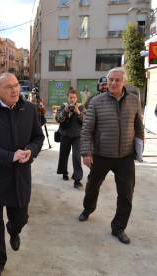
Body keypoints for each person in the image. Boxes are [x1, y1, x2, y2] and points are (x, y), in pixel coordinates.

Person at [0, 73, 45, 276]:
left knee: (20, 218)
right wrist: (9, 156)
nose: (15, 90)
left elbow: (38, 137)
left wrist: (31, 150)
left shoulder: (29, 109)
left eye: (16, 85)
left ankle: (14, 230)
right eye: (8, 87)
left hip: (20, 175)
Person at [79, 67, 144, 245]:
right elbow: (87, 130)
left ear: (124, 82)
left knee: (126, 194)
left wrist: (140, 148)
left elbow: (139, 126)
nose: (113, 83)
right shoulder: (97, 101)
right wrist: (86, 152)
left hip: (125, 156)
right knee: (92, 186)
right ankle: (88, 208)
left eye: (117, 80)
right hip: (101, 154)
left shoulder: (133, 100)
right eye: (110, 80)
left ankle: (118, 228)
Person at [55, 87, 86, 188]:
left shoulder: (81, 107)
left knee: (76, 156)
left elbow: (86, 120)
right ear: (67, 97)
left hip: (77, 135)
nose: (72, 99)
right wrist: (65, 111)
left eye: (74, 97)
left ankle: (77, 179)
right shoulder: (63, 107)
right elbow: (58, 119)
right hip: (65, 135)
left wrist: (78, 113)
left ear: (77, 98)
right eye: (70, 97)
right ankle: (64, 172)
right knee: (64, 155)